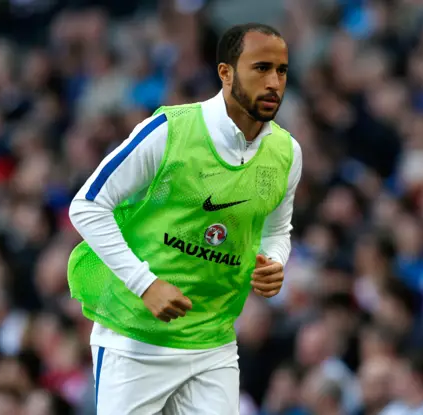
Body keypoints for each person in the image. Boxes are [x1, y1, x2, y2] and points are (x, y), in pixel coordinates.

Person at [67, 22, 302, 414]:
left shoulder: (287, 153)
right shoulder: (169, 131)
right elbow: (87, 206)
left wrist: (276, 260)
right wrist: (145, 284)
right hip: (135, 339)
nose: (274, 82)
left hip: (213, 343)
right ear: (225, 73)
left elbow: (278, 230)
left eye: (282, 70)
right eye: (261, 68)